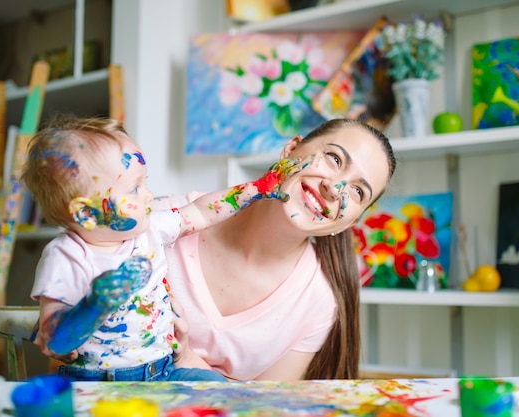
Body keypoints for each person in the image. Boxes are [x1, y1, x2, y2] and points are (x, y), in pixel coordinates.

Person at [22, 115, 301, 382]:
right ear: (86, 213)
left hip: (163, 371)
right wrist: (96, 305)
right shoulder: (66, 256)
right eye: (134, 189)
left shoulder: (151, 228)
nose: (149, 194)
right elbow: (53, 341)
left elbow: (201, 213)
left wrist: (255, 188)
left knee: (222, 393)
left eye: (145, 182)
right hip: (96, 381)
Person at [156, 118, 396, 380]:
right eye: (334, 159)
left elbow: (267, 406)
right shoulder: (164, 219)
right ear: (290, 149)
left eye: (358, 191)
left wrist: (192, 362)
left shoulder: (319, 303)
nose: (334, 188)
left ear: (351, 221)